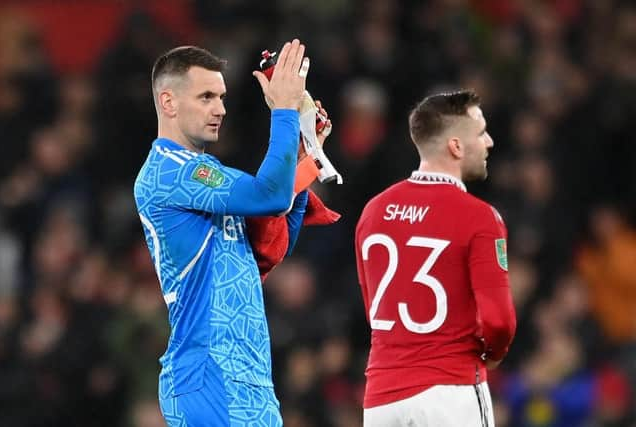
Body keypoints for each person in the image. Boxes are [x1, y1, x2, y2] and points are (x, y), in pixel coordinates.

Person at [134, 40, 311, 426]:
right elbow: (269, 194)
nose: (221, 109)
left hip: (248, 377)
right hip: (209, 374)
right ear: (169, 103)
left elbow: (268, 250)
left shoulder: (203, 176)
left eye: (222, 96)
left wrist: (304, 158)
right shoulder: (171, 172)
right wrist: (283, 111)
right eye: (207, 97)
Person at [354, 90, 517, 427]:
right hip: (450, 391)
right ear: (456, 146)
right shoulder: (479, 217)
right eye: (481, 132)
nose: (489, 142)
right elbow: (499, 320)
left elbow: (374, 307)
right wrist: (493, 354)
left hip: (382, 400)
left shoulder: (374, 211)